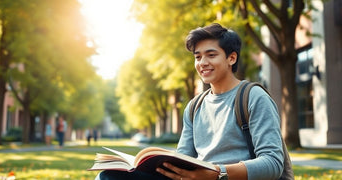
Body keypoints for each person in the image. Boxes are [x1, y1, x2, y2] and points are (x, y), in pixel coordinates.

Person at [96, 23, 284, 180]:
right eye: (197, 57)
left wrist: (217, 173)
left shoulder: (253, 97)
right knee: (108, 176)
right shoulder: (195, 106)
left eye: (211, 55)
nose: (202, 62)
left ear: (231, 58)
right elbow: (184, 158)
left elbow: (273, 163)